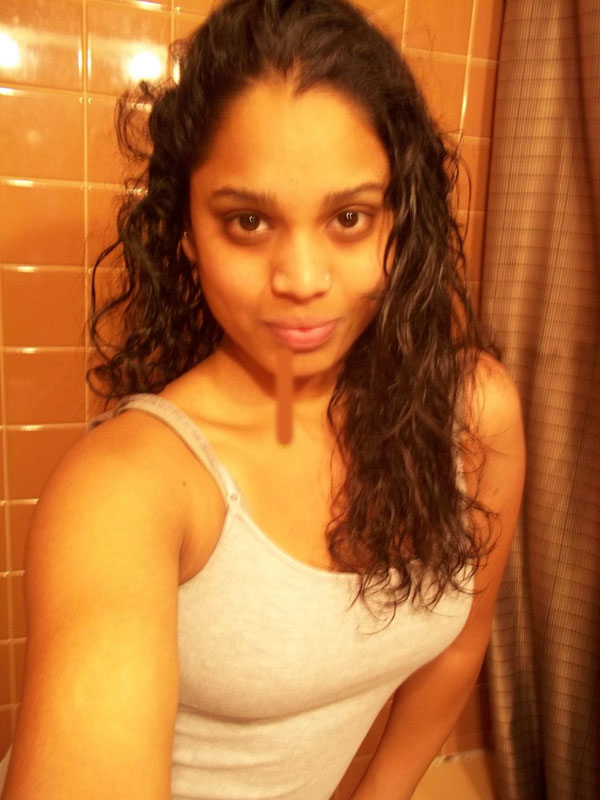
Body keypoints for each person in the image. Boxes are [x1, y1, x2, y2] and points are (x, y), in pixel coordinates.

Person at [0, 1, 526, 798]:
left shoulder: (474, 412)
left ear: (399, 224)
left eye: (349, 217)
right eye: (248, 221)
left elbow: (459, 646)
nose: (303, 280)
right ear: (187, 234)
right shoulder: (126, 487)